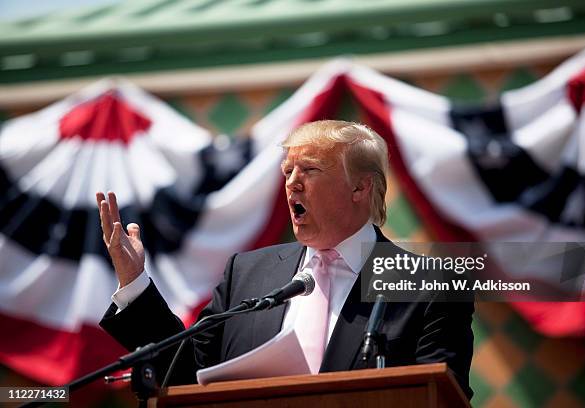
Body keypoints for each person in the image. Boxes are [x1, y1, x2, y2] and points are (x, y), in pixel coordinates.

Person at [97, 120, 474, 398]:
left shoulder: (429, 287)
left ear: (361, 186)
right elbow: (182, 375)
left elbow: (439, 397)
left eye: (310, 170)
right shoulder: (246, 274)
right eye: (287, 171)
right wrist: (135, 283)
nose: (292, 182)